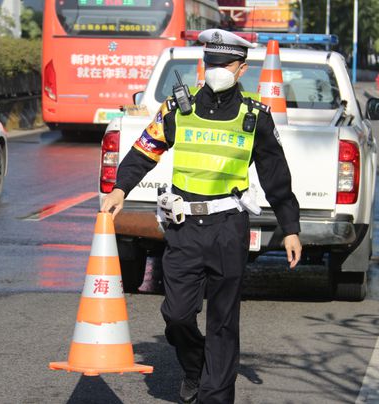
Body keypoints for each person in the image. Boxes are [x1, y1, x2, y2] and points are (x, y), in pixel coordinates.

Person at [100, 29, 302, 404]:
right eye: (211, 63)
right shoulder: (179, 108)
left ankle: (214, 396)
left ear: (241, 69)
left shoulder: (254, 116)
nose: (216, 70)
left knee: (224, 322)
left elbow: (275, 174)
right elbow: (145, 150)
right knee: (176, 316)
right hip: (184, 227)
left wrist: (290, 228)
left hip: (228, 227)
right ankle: (195, 368)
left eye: (225, 64)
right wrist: (119, 188)